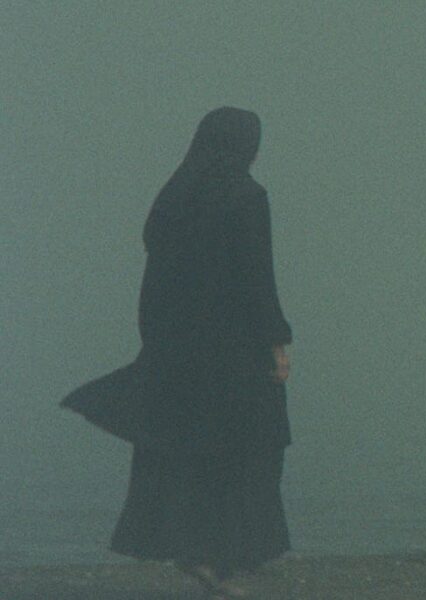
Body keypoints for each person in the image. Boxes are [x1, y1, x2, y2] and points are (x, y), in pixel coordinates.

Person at [67, 107, 294, 599]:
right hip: (235, 352)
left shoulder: (175, 196)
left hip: (180, 349)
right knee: (250, 449)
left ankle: (199, 553)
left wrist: (156, 342)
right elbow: (257, 279)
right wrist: (277, 342)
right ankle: (222, 559)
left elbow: (155, 281)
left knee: (186, 452)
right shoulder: (247, 197)